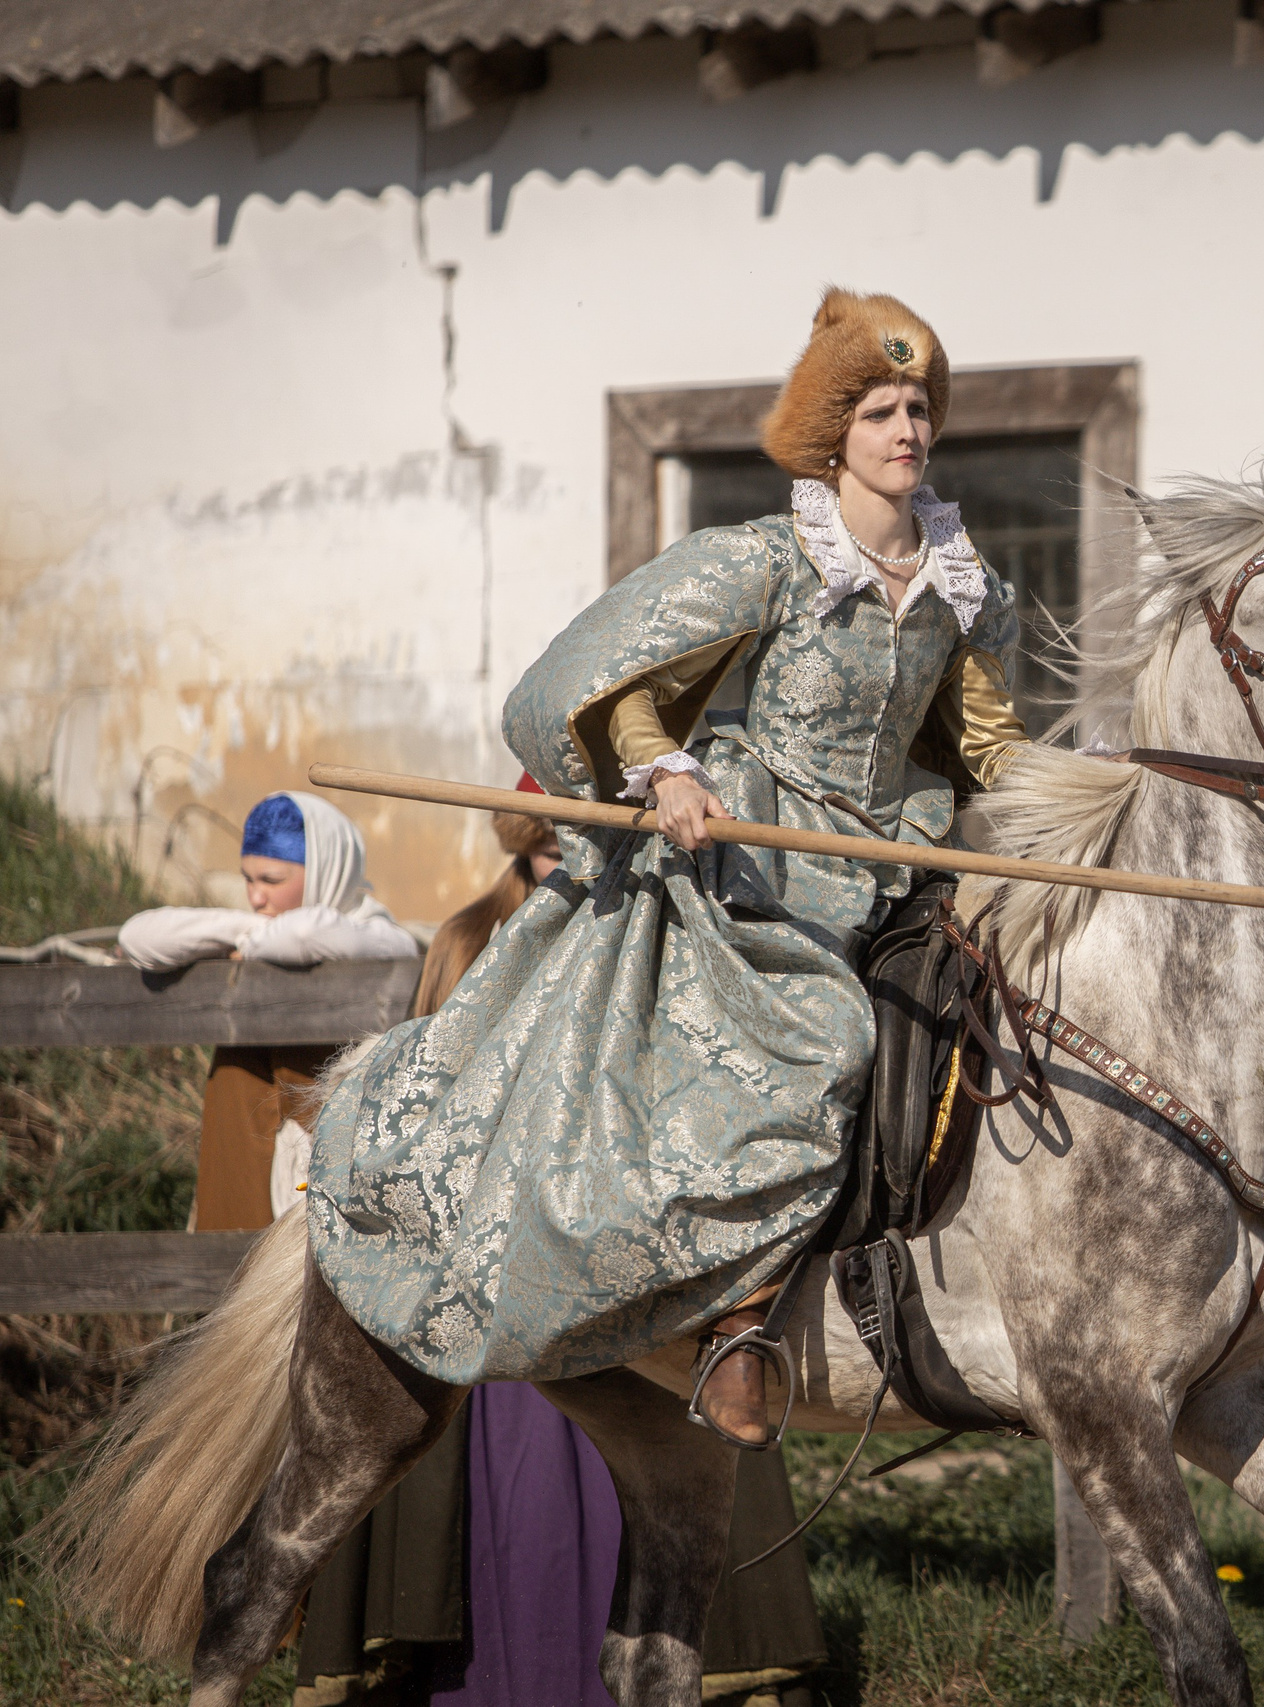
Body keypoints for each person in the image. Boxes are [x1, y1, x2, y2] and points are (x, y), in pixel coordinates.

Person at [307, 288, 1028, 1448]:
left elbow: (991, 744)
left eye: (920, 411)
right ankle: (739, 1328)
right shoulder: (767, 563)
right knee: (823, 1037)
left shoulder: (962, 583)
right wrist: (667, 773)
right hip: (758, 865)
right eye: (884, 411)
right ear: (834, 434)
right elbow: (595, 675)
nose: (909, 432)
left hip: (897, 859)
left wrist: (1079, 796)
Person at [296, 786, 825, 1707]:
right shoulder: (474, 938)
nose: (568, 871)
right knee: (503, 1497)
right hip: (504, 1258)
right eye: (550, 854)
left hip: (618, 1253)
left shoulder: (657, 933)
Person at [118, 790, 417, 1231]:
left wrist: (251, 940)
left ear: (323, 871)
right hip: (261, 1128)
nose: (256, 897)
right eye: (248, 879)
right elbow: (137, 937)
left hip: (332, 1140)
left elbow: (308, 934)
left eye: (272, 880)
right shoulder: (263, 928)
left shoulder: (377, 933)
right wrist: (247, 930)